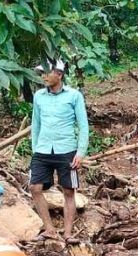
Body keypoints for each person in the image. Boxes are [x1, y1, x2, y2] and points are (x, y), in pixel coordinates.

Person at [29, 59, 88, 242]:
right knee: (35, 187)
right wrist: (35, 149)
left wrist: (80, 152)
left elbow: (83, 125)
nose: (44, 76)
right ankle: (49, 229)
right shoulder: (39, 96)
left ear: (59, 74)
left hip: (66, 150)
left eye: (47, 72)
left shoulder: (74, 95)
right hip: (43, 150)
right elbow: (35, 124)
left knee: (69, 191)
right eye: (42, 73)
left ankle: (68, 233)